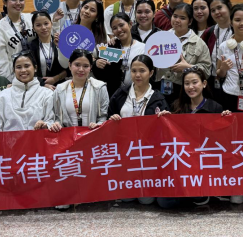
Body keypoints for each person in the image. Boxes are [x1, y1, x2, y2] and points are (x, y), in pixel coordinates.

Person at [156, 67, 230, 209]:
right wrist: (165, 119)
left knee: (195, 194)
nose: (191, 87)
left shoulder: (215, 108)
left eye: (194, 82)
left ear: (204, 84)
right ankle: (193, 196)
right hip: (182, 163)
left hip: (205, 162)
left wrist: (226, 119)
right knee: (164, 202)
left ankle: (199, 194)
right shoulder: (177, 107)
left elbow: (223, 139)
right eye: (187, 83)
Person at [108, 54, 169, 206]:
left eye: (142, 71)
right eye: (134, 71)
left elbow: (166, 130)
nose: (137, 75)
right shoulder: (121, 93)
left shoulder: (158, 98)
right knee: (127, 197)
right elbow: (108, 117)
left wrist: (166, 118)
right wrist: (112, 118)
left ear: (151, 73)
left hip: (148, 154)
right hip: (125, 151)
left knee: (146, 200)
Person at [0, 51, 54, 132]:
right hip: (9, 140)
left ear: (35, 68)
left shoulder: (47, 94)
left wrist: (45, 125)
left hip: (39, 139)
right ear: (14, 70)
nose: (23, 70)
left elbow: (52, 120)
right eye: (18, 67)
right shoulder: (4, 95)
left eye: (27, 66)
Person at [156, 3, 211, 105]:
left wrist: (189, 67)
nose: (177, 20)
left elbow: (207, 71)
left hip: (187, 91)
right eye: (175, 16)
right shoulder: (160, 38)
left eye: (182, 18)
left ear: (190, 21)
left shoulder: (199, 43)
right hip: (162, 88)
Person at [50, 49, 108, 130]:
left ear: (90, 67)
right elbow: (57, 118)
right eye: (77, 65)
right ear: (69, 65)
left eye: (85, 66)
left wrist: (97, 125)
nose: (81, 69)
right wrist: (56, 125)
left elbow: (103, 117)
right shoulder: (60, 89)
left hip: (93, 134)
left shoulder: (100, 87)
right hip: (68, 136)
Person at [93, 13, 146, 98]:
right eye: (114, 28)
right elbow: (101, 74)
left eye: (121, 25)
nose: (119, 30)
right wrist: (96, 64)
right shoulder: (110, 47)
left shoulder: (143, 48)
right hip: (114, 95)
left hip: (137, 94)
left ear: (130, 24)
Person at [0, 0, 36, 81]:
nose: (18, 3)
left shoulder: (32, 19)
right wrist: (9, 82)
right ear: (4, 2)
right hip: (16, 78)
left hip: (37, 75)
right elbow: (1, 61)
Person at [201, 0, 233, 100]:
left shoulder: (240, 30)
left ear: (229, 6)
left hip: (234, 82)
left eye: (219, 8)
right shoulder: (209, 32)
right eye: (213, 10)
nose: (216, 12)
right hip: (212, 82)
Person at [30, 11, 68, 90]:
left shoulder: (60, 42)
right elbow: (29, 70)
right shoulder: (31, 46)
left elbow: (69, 68)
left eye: (46, 23)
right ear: (33, 28)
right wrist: (42, 84)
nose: (43, 27)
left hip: (61, 87)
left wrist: (55, 79)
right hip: (39, 88)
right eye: (38, 25)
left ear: (51, 23)